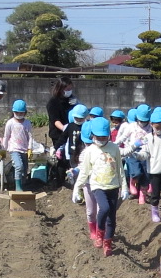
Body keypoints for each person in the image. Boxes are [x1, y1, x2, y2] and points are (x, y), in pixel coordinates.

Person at [72, 116, 124, 256]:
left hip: (113, 186)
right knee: (104, 208)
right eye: (98, 137)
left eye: (104, 137)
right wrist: (77, 188)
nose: (101, 140)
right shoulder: (90, 151)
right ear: (92, 135)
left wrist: (123, 187)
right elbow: (85, 171)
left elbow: (120, 169)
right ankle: (100, 232)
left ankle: (108, 243)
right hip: (97, 186)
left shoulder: (114, 148)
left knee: (112, 217)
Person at [46, 76, 77, 184]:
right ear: (60, 89)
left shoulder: (71, 100)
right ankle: (60, 181)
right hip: (58, 133)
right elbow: (55, 120)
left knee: (72, 154)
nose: (69, 91)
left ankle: (70, 177)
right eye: (67, 89)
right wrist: (66, 129)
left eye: (70, 89)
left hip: (71, 131)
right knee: (61, 157)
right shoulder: (53, 102)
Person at [114, 108, 148, 199]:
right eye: (141, 121)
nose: (143, 123)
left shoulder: (150, 128)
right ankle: (132, 182)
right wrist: (114, 144)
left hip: (146, 153)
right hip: (132, 152)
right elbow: (123, 137)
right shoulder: (132, 126)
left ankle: (142, 196)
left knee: (146, 175)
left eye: (145, 121)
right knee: (136, 172)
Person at [2, 99, 34, 191]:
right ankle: (18, 187)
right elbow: (6, 136)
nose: (19, 115)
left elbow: (30, 136)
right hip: (14, 149)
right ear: (13, 112)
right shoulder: (10, 123)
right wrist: (4, 149)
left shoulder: (27, 123)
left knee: (24, 169)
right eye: (17, 113)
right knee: (19, 166)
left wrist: (30, 149)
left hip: (24, 149)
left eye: (21, 113)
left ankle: (22, 185)